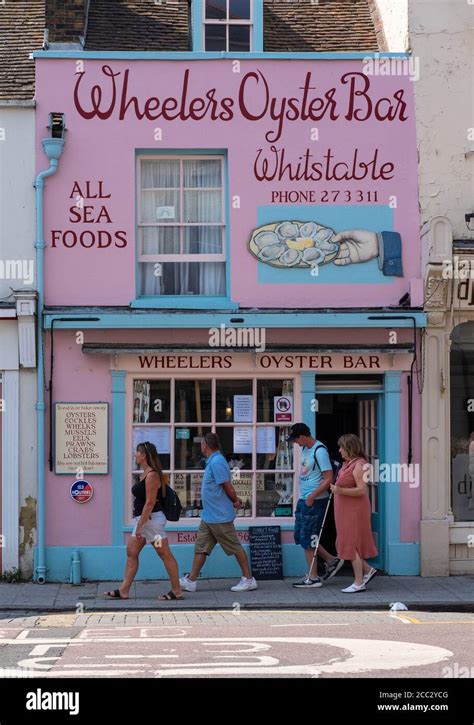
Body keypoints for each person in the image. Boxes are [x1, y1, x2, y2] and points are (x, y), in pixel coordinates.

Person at [105, 441, 183, 601]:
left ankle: (177, 591)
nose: (135, 455)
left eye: (137, 452)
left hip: (152, 523)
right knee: (132, 552)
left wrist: (140, 526)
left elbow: (150, 502)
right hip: (145, 521)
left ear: (144, 455)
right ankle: (124, 590)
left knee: (165, 554)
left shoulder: (152, 475)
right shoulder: (145, 473)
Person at [180, 433, 258, 593]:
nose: (200, 447)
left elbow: (227, 486)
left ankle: (248, 579)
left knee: (235, 547)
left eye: (201, 444)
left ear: (205, 445)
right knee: (201, 547)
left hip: (220, 516)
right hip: (209, 516)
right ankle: (191, 580)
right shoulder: (213, 461)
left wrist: (235, 500)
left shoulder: (217, 462)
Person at [287, 423, 344, 587]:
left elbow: (329, 478)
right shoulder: (305, 449)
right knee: (301, 536)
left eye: (296, 439)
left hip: (316, 500)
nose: (295, 443)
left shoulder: (320, 451)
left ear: (303, 436)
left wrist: (312, 495)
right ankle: (331, 560)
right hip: (305, 499)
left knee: (308, 538)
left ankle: (313, 577)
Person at [330, 433, 378, 593]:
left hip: (354, 511)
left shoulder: (360, 465)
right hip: (345, 511)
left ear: (350, 448)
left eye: (342, 447)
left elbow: (361, 490)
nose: (339, 450)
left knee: (351, 544)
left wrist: (339, 490)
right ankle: (368, 571)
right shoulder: (348, 463)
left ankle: (359, 583)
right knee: (346, 542)